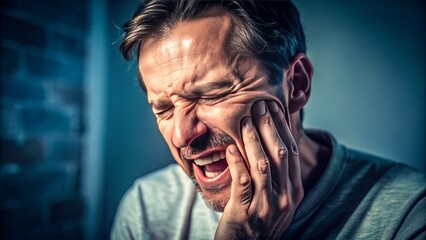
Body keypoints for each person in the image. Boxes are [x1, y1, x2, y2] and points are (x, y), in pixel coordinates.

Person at [111, 0, 426, 239]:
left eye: (210, 94)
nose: (181, 134)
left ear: (297, 84)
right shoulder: (146, 209)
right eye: (163, 108)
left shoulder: (408, 214)